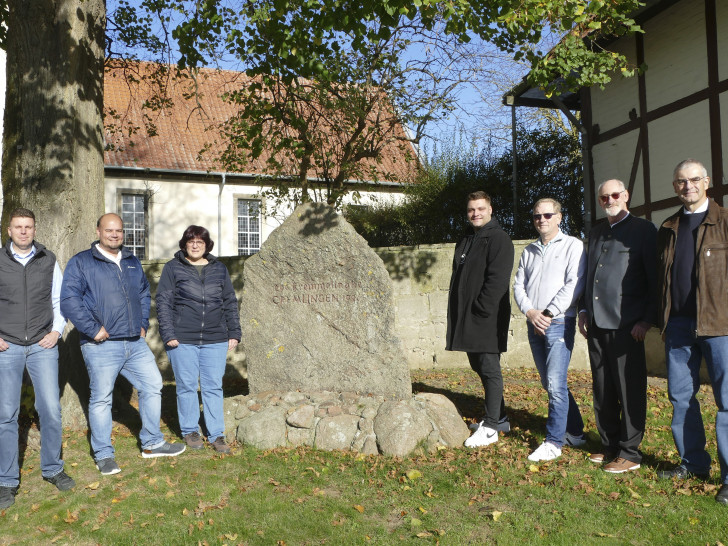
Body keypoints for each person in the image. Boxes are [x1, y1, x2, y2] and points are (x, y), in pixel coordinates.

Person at [61, 213, 185, 476]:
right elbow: (69, 300)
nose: (114, 234)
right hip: (101, 345)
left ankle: (151, 443)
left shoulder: (130, 261)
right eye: (109, 230)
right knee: (101, 399)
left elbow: (142, 292)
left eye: (118, 230)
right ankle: (104, 454)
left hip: (134, 342)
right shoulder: (82, 262)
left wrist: (142, 324)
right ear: (98, 231)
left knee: (152, 386)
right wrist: (93, 329)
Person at [655, 159, 728, 504]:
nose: (689, 186)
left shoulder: (725, 222)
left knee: (727, 401)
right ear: (675, 186)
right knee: (681, 398)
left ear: (707, 182)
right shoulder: (668, 226)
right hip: (680, 326)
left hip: (719, 325)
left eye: (695, 180)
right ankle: (693, 463)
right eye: (682, 181)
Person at [579, 179, 657, 473]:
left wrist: (646, 320)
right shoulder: (597, 232)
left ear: (625, 196)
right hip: (597, 324)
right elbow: (589, 276)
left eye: (614, 195)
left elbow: (654, 278)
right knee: (603, 388)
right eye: (603, 197)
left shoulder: (643, 230)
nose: (609, 200)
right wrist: (584, 310)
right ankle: (609, 445)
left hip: (628, 324)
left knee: (629, 389)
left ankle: (630, 452)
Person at [0, 209, 75, 509]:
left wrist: (57, 331)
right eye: (18, 227)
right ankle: (6, 481)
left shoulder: (48, 259)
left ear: (34, 229)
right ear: (9, 230)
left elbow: (60, 300)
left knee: (51, 410)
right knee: (5, 415)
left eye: (28, 227)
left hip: (43, 345)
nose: (23, 232)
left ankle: (53, 469)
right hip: (8, 347)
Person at [156, 226, 241, 454]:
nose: (195, 245)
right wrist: (168, 334)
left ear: (207, 245)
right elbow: (163, 303)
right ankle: (191, 430)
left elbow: (230, 302)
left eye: (200, 242)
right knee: (186, 386)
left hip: (215, 337)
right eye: (191, 241)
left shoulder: (219, 269)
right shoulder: (173, 268)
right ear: (184, 244)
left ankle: (216, 434)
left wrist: (234, 332)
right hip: (182, 339)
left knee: (213, 386)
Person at [514, 198, 586, 462]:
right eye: (536, 216)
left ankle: (554, 442)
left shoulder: (572, 245)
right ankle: (576, 433)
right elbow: (518, 286)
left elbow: (574, 284)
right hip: (534, 323)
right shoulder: (529, 250)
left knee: (556, 384)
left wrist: (548, 313)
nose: (541, 220)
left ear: (559, 217)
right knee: (550, 383)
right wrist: (531, 313)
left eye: (547, 215)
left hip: (558, 323)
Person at [446, 191, 514, 448]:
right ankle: (501, 417)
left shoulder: (499, 239)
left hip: (487, 317)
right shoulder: (468, 238)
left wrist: (481, 308)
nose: (475, 213)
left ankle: (491, 427)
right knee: (479, 366)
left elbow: (497, 280)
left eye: (480, 208)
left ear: (490, 209)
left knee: (489, 368)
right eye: (471, 209)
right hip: (469, 316)